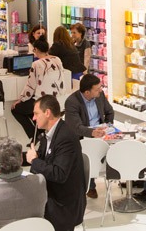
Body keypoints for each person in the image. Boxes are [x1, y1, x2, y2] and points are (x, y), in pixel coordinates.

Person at [26, 95, 86, 231]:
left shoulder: (65, 137)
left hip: (64, 203)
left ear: (47, 113)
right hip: (53, 192)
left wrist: (34, 161)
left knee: (24, 209)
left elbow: (59, 174)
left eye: (36, 114)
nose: (33, 118)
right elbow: (39, 157)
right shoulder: (49, 135)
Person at [64, 73, 114, 198]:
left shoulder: (100, 95)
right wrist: (92, 133)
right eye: (97, 89)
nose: (101, 90)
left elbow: (109, 111)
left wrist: (107, 125)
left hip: (101, 133)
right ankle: (90, 185)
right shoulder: (72, 102)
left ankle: (123, 174)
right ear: (87, 92)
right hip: (82, 136)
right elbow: (75, 127)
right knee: (90, 152)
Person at [11, 38, 64, 142]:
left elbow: (30, 87)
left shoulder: (37, 64)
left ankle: (34, 135)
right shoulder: (57, 60)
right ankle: (39, 133)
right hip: (58, 100)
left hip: (43, 101)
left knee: (16, 109)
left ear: (35, 49)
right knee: (31, 109)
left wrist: (20, 100)